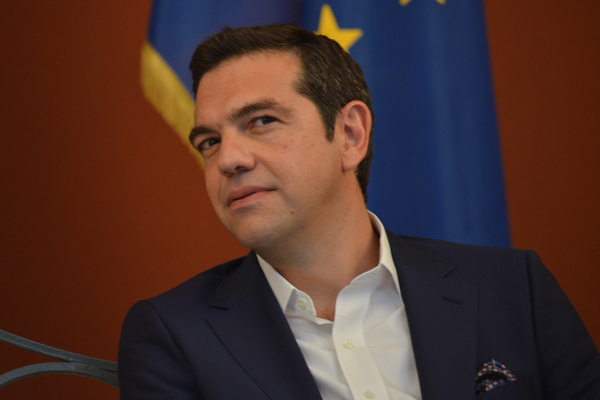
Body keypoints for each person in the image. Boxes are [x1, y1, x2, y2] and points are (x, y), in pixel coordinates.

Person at [118, 23, 600, 399]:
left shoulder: (514, 289)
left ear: (350, 134)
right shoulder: (173, 334)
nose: (228, 159)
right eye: (209, 141)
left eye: (262, 120)